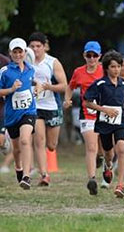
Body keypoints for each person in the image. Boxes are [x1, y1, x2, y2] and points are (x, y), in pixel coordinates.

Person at [83, 51, 124, 198]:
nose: (116, 70)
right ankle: (108, 166)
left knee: (121, 148)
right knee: (108, 153)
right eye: (113, 67)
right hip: (104, 123)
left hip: (120, 122)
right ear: (106, 68)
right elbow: (86, 101)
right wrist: (103, 109)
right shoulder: (100, 84)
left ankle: (120, 185)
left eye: (119, 66)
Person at [27, 32, 67, 187]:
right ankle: (44, 174)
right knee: (39, 140)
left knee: (51, 145)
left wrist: (49, 87)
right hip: (35, 106)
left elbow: (64, 85)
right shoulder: (26, 62)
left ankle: (45, 171)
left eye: (38, 46)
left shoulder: (52, 62)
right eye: (32, 46)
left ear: (44, 47)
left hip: (52, 106)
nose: (35, 49)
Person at [65, 41, 105, 192]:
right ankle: (92, 179)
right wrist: (67, 99)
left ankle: (102, 160)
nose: (92, 58)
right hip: (86, 113)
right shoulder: (78, 72)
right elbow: (70, 86)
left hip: (104, 112)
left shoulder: (105, 71)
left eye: (95, 55)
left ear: (99, 56)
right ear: (84, 56)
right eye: (89, 55)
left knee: (105, 149)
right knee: (91, 146)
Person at [0, 38, 37, 189]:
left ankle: (27, 176)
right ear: (10, 53)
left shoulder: (30, 69)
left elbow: (32, 81)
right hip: (11, 115)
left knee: (25, 141)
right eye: (14, 52)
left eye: (20, 51)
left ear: (24, 53)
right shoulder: (5, 72)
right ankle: (18, 168)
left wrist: (38, 86)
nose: (17, 55)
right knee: (16, 148)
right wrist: (11, 90)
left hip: (29, 111)